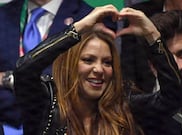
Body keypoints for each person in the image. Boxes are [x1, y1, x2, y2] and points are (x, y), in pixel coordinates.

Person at [13, 5, 182, 135]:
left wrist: (152, 35)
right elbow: (23, 70)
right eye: (88, 60)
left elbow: (174, 98)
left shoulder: (124, 104)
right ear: (71, 64)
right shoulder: (46, 100)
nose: (99, 69)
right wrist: (78, 28)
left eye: (107, 63)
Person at [0, 0, 116, 131]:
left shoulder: (91, 17)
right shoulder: (3, 16)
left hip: (67, 123)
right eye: (88, 60)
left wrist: (7, 78)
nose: (99, 68)